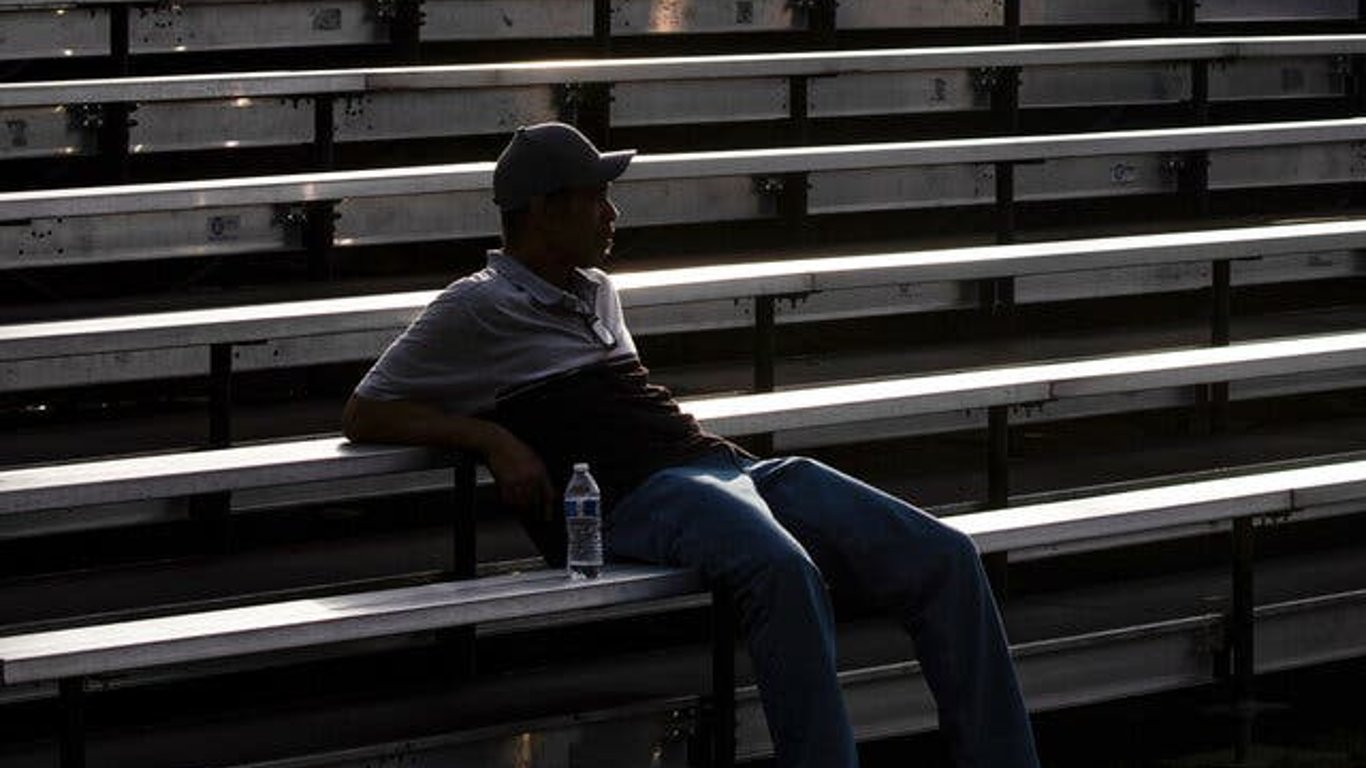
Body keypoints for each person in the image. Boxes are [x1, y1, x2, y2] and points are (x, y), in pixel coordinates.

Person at [343, 122, 1041, 768]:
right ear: (541, 210)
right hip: (638, 495)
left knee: (945, 556)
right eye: (596, 200)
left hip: (718, 465)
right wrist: (489, 437)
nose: (612, 217)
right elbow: (365, 410)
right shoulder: (475, 304)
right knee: (783, 571)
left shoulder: (598, 290)